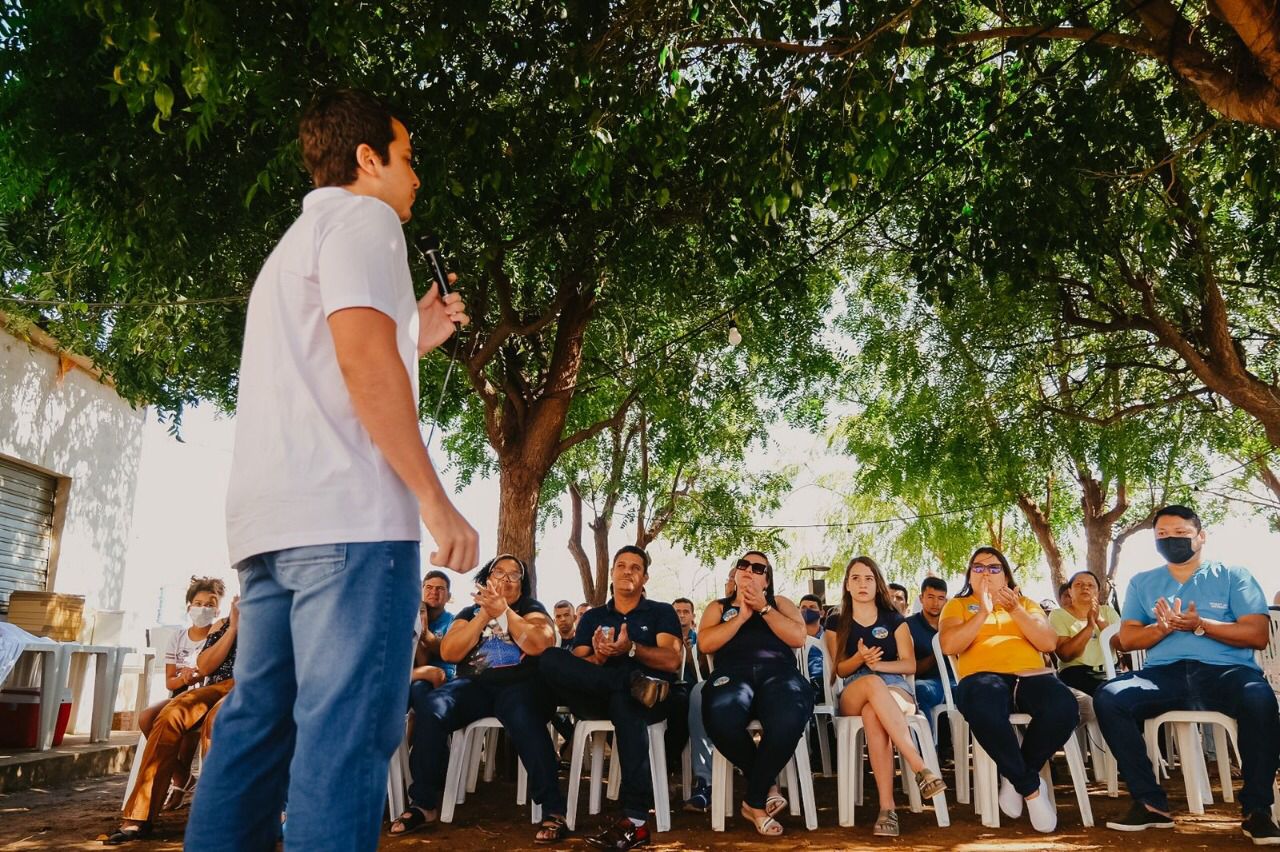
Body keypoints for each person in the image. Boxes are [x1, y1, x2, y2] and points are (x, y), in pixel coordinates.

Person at [185, 89, 479, 852]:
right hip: (348, 527)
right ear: (368, 159)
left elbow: (335, 362)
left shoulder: (291, 247)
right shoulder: (368, 219)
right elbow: (362, 362)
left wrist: (417, 330)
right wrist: (436, 503)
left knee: (257, 728)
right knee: (344, 739)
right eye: (408, 158)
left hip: (271, 528)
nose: (417, 177)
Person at [1095, 505, 1280, 842]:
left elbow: (1256, 633)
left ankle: (1257, 810)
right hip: (1163, 675)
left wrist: (1200, 626)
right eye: (1162, 535)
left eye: (1180, 533)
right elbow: (1127, 638)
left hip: (1226, 672)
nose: (1171, 540)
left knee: (1259, 698)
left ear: (1201, 536)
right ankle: (1150, 804)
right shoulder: (1142, 582)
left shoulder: (1233, 575)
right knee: (1109, 697)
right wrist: (1160, 630)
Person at [388, 555, 567, 841]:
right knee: (431, 707)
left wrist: (505, 612)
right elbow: (450, 652)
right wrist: (485, 614)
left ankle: (553, 810)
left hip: (518, 685)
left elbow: (539, 642)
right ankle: (423, 804)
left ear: (522, 584)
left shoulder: (531, 609)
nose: (506, 578)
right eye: (499, 572)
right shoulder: (470, 612)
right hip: (474, 685)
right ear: (487, 578)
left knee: (524, 716)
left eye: (514, 574)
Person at [539, 546, 680, 850]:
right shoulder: (592, 618)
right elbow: (576, 664)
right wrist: (599, 659)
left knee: (626, 704)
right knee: (550, 658)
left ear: (645, 577)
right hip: (600, 694)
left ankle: (636, 821)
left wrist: (632, 650)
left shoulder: (660, 611)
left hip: (645, 700)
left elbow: (672, 661)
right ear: (613, 573)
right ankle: (628, 681)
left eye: (635, 567)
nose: (627, 571)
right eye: (621, 565)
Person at [939, 546, 1077, 833]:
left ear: (1005, 575)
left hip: (1031, 676)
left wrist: (1014, 609)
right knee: (982, 706)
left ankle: (1015, 774)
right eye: (978, 567)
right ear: (970, 575)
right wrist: (983, 613)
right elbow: (949, 645)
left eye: (993, 568)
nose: (985, 573)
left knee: (1063, 706)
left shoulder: (1025, 603)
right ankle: (1030, 788)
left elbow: (1048, 643)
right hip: (982, 679)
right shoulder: (957, 605)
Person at [828, 557, 946, 837]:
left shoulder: (894, 618)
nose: (862, 584)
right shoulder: (836, 620)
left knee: (873, 713)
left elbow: (909, 665)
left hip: (894, 685)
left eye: (868, 578)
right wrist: (861, 658)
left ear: (877, 583)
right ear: (847, 585)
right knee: (870, 685)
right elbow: (839, 669)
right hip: (856, 685)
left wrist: (879, 664)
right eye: (855, 578)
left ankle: (887, 810)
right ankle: (920, 767)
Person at [108, 596, 240, 844]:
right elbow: (206, 665)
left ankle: (214, 817)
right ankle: (139, 817)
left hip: (251, 685)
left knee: (218, 721)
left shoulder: (276, 618)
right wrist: (233, 628)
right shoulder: (222, 624)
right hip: (213, 686)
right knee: (170, 715)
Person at [698, 551, 812, 837]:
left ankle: (753, 801)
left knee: (788, 719)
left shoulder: (780, 603)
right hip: (733, 676)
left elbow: (798, 637)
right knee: (720, 719)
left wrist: (763, 609)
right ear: (736, 573)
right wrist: (740, 618)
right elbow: (705, 643)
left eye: (758, 567)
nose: (749, 570)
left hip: (779, 675)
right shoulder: (718, 607)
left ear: (767, 579)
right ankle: (766, 787)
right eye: (743, 565)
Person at [132, 577, 224, 813]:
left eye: (209, 604)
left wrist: (201, 675)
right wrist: (185, 679)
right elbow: (170, 682)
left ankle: (181, 786)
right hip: (180, 696)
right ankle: (182, 778)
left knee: (188, 725)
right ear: (189, 606)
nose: (203, 609)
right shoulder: (178, 637)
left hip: (207, 698)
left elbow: (217, 674)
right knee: (148, 718)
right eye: (198, 603)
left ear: (219, 609)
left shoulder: (220, 637)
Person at [683, 566, 738, 814]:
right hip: (724, 680)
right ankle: (704, 780)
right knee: (697, 693)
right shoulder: (717, 610)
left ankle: (768, 783)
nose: (738, 582)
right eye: (733, 578)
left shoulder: (772, 609)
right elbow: (706, 655)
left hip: (764, 683)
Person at [1050, 571, 1120, 697]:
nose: (1085, 587)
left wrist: (1099, 620)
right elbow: (1065, 655)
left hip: (1111, 670)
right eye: (1078, 584)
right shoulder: (1058, 615)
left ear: (1097, 592)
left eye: (1090, 585)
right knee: (1108, 696)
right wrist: (1090, 626)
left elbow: (1122, 644)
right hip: (1076, 673)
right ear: (1070, 592)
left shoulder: (1108, 612)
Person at [905, 577, 952, 739]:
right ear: (921, 598)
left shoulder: (954, 623)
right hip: (929, 684)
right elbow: (909, 667)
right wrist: (938, 653)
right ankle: (928, 751)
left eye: (940, 598)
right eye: (930, 597)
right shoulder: (908, 626)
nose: (936, 603)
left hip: (956, 683)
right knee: (919, 689)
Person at [798, 594, 826, 686]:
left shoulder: (830, 637)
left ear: (822, 613)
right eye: (804, 607)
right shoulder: (793, 638)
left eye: (812, 607)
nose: (807, 610)